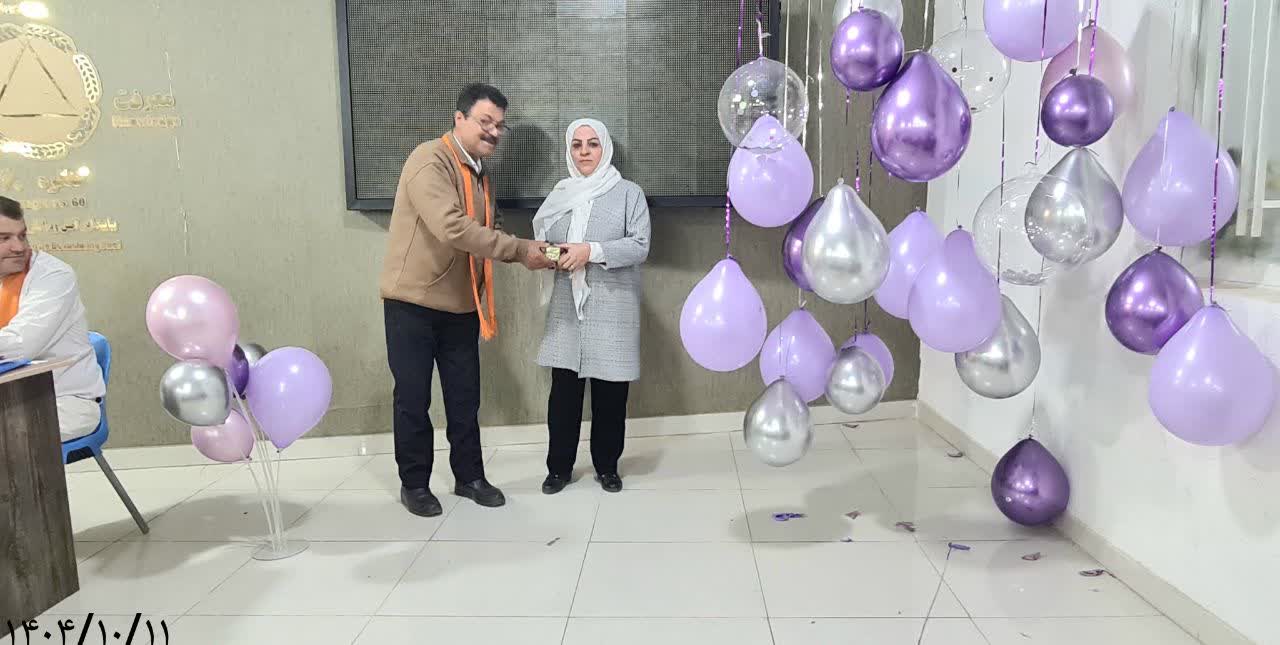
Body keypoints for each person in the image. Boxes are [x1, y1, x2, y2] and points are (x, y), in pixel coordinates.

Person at [380, 83, 556, 517]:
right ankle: (414, 484)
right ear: (459, 119)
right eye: (485, 121)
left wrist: (538, 251)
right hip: (413, 305)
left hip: (461, 306)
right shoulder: (429, 160)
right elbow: (453, 228)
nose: (493, 131)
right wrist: (520, 249)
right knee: (413, 400)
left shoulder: (480, 172)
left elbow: (488, 229)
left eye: (500, 125)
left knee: (464, 399)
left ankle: (470, 477)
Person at [534, 118, 651, 494]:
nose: (584, 151)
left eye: (592, 144)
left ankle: (607, 467)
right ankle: (558, 469)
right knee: (563, 394)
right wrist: (557, 256)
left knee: (611, 394)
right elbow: (545, 245)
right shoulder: (560, 194)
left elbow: (639, 245)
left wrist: (590, 251)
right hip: (567, 308)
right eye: (577, 144)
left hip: (613, 307)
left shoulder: (629, 193)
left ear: (605, 149)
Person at [0, 196, 106, 441]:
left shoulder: (54, 276)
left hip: (63, 402)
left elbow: (22, 344)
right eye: (4, 238)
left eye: (22, 236)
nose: (19, 247)